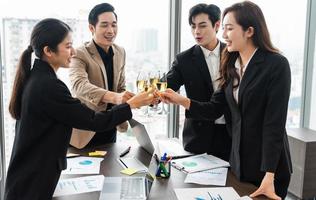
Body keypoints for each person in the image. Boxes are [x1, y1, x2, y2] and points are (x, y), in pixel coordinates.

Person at [4, 18, 153, 200]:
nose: (73, 52)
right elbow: (93, 120)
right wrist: (131, 105)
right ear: (48, 51)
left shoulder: (36, 77)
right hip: (32, 185)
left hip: (28, 178)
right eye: (68, 46)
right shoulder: (49, 86)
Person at [161, 1, 292, 199]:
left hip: (269, 169)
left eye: (229, 29)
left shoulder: (276, 64)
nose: (223, 35)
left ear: (249, 31)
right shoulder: (231, 63)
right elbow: (214, 108)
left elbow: (274, 124)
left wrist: (269, 175)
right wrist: (181, 100)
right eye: (224, 28)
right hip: (239, 164)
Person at [166, 3, 231, 160]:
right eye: (193, 26)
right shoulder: (184, 59)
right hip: (198, 137)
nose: (197, 32)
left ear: (216, 25)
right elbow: (167, 85)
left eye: (202, 26)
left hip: (230, 134)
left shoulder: (233, 53)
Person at [69, 3, 133, 148]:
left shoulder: (120, 52)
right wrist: (115, 97)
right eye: (104, 25)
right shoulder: (79, 53)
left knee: (111, 168)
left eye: (114, 25)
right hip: (86, 129)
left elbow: (120, 86)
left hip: (111, 125)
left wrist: (132, 97)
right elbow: (79, 86)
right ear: (92, 28)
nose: (111, 30)